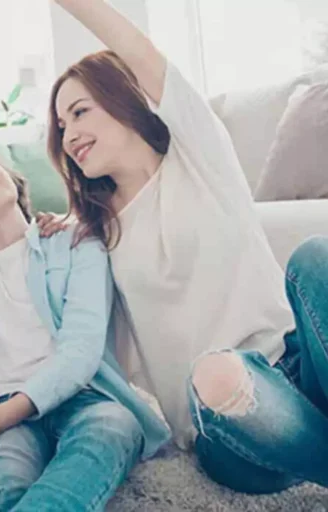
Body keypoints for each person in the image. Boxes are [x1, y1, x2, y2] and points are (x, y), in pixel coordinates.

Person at [48, 0, 328, 494]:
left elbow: (137, 48)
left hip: (298, 368)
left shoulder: (197, 154)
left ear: (122, 96)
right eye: (61, 126)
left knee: (315, 257)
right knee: (217, 373)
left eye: (78, 112)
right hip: (225, 425)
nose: (68, 134)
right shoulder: (94, 233)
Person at [0, 138, 169, 511]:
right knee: (5, 479)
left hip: (80, 396)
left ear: (9, 174)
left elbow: (81, 350)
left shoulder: (76, 240)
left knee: (114, 426)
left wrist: (5, 415)